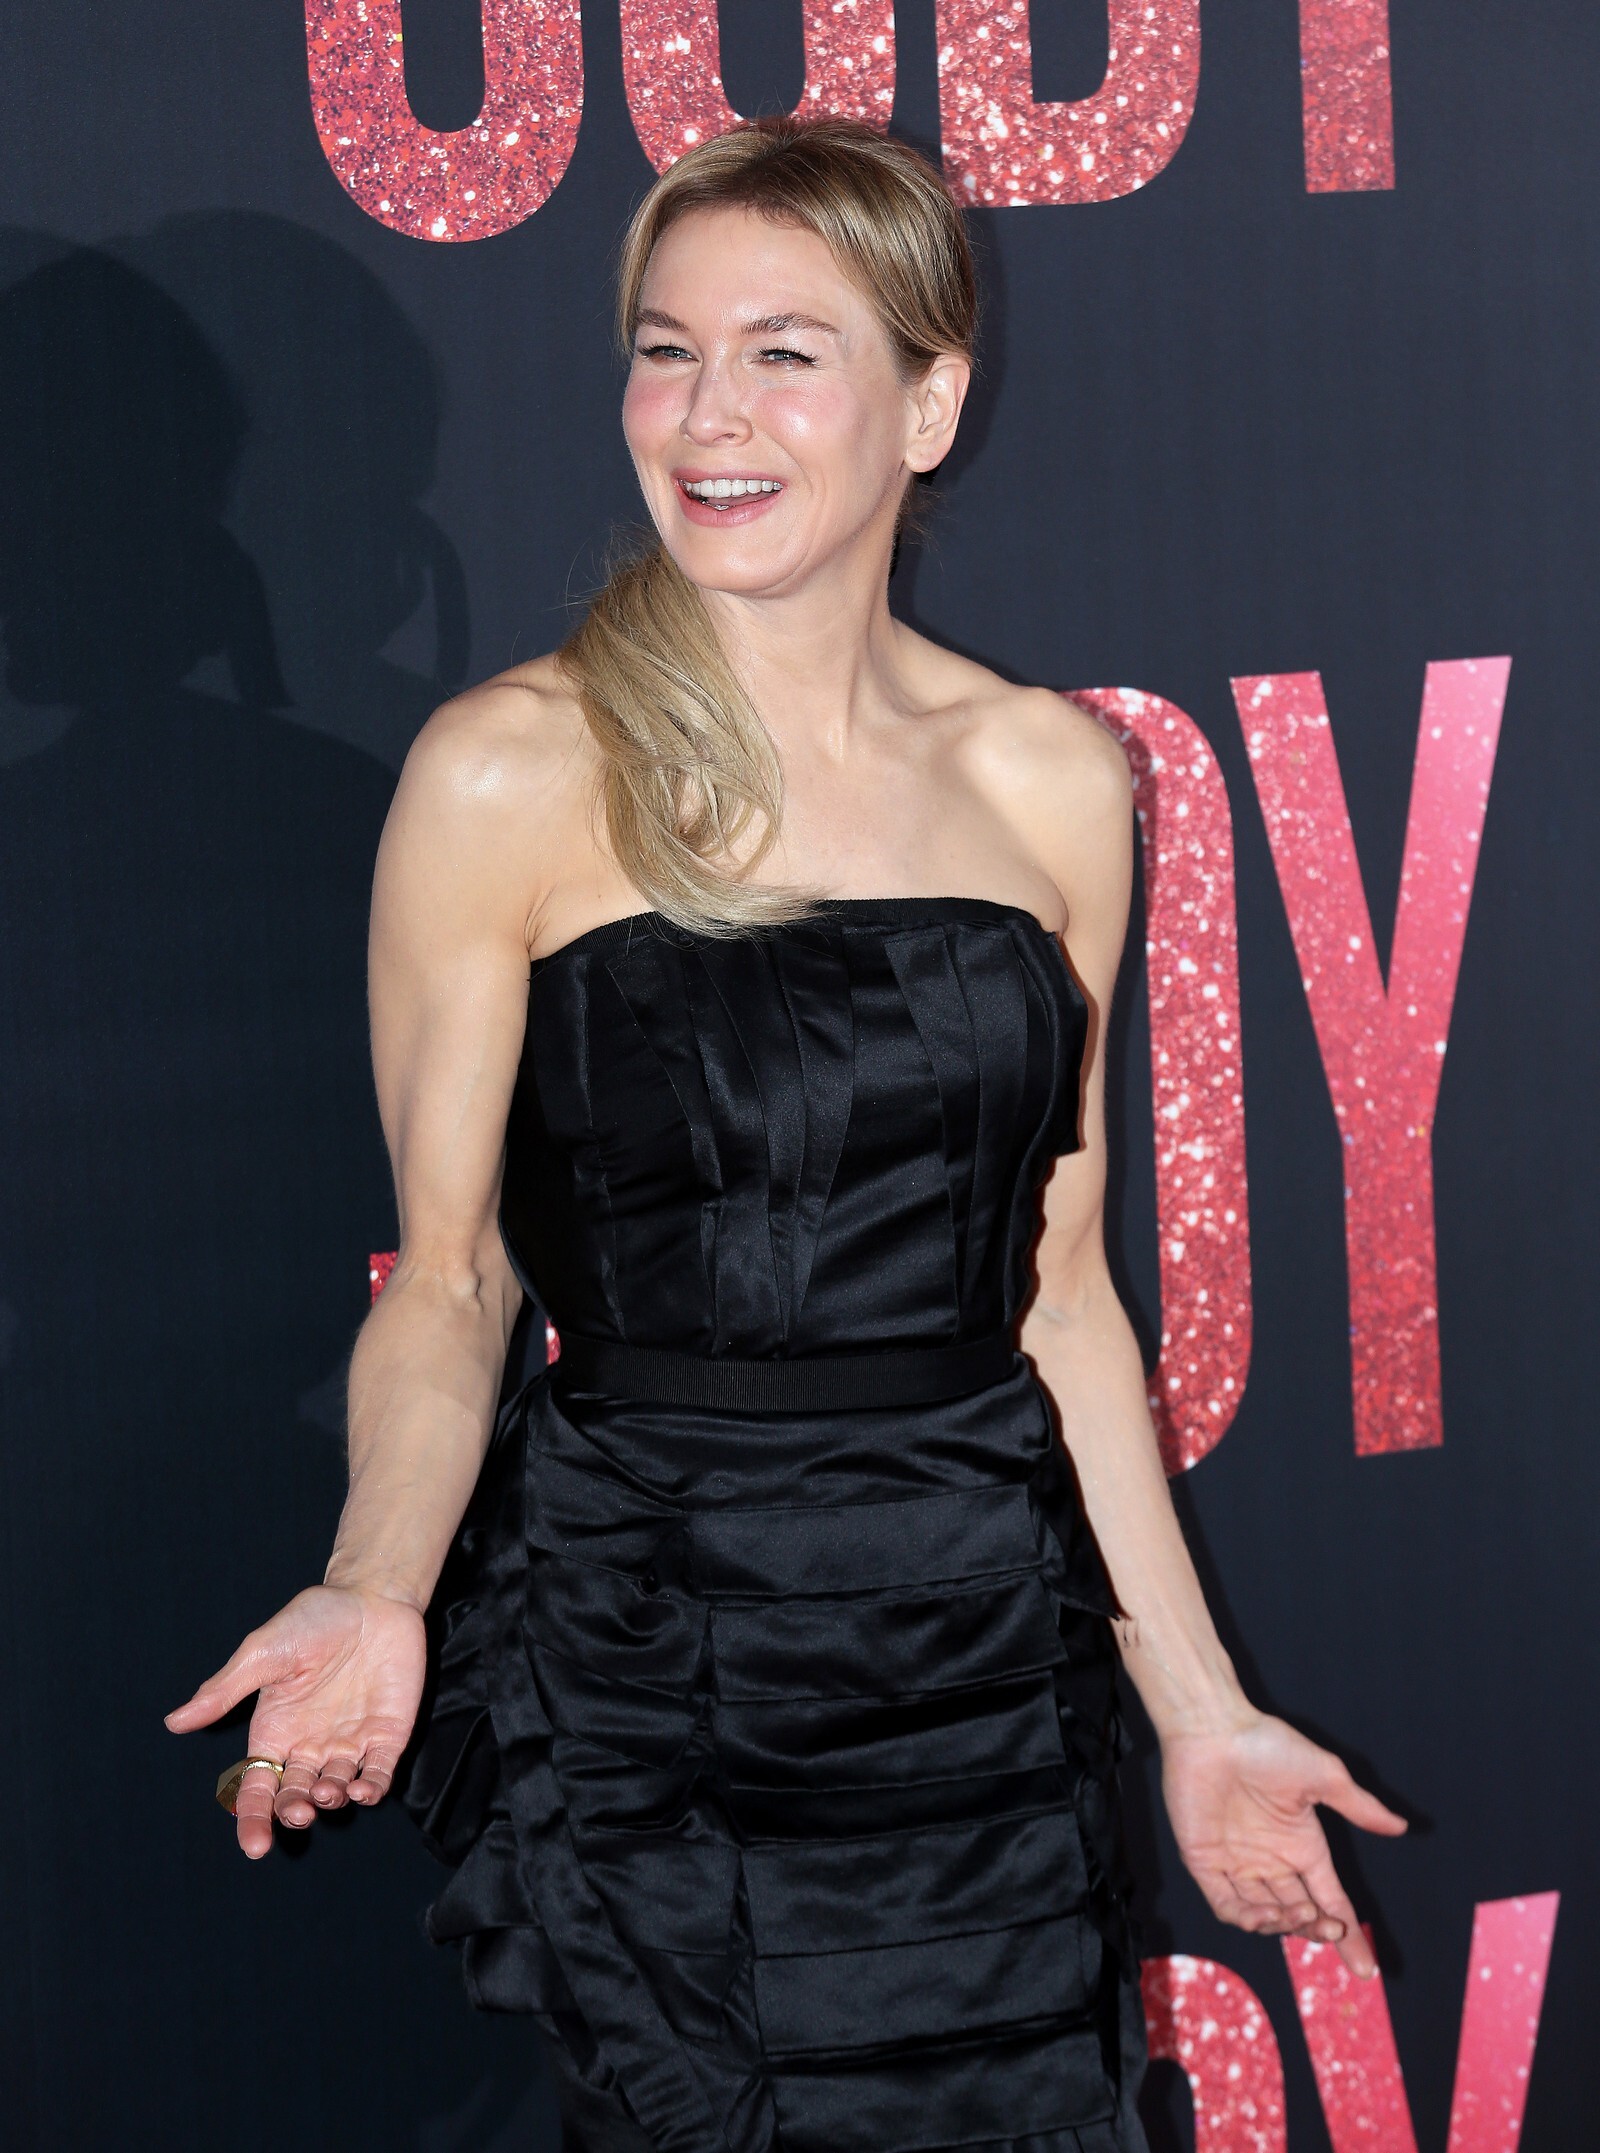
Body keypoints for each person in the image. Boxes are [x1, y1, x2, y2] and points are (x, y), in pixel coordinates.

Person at [168, 118, 1405, 2153]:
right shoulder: (510, 773)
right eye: (665, 352)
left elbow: (1061, 1300)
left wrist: (1198, 1714)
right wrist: (377, 1583)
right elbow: (453, 1283)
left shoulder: (1048, 778)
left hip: (978, 1666)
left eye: (782, 354)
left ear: (929, 406)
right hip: (665, 1664)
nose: (706, 415)